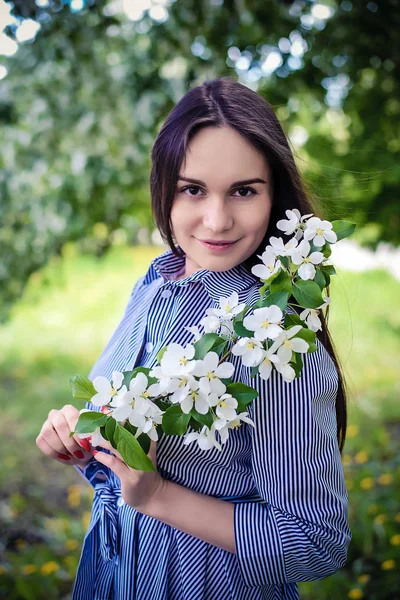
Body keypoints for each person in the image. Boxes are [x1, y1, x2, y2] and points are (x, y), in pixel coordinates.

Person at [36, 76, 351, 600]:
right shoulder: (156, 283)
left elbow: (315, 542)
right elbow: (132, 440)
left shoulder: (273, 341)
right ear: (165, 188)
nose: (217, 220)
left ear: (275, 195)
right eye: (193, 189)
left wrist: (158, 495)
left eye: (244, 190)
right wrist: (82, 439)